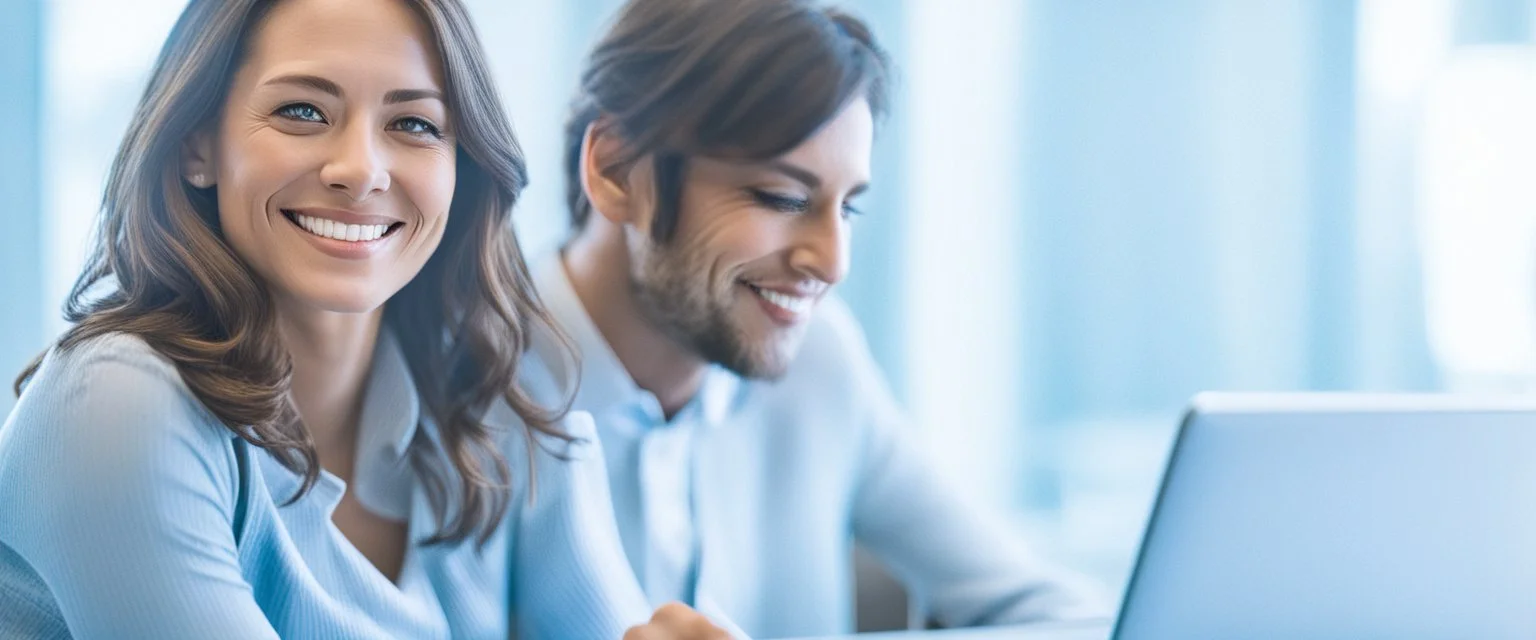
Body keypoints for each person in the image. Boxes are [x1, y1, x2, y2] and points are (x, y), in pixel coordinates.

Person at [0, 0, 663, 637]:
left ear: (461, 166)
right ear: (196, 146)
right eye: (301, 111)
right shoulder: (115, 403)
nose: (359, 170)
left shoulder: (495, 401)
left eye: (414, 125)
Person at [532, 0, 1109, 636]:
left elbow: (1066, 617)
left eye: (848, 209)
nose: (832, 263)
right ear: (616, 172)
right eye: (783, 198)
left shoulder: (819, 359)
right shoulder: (456, 391)